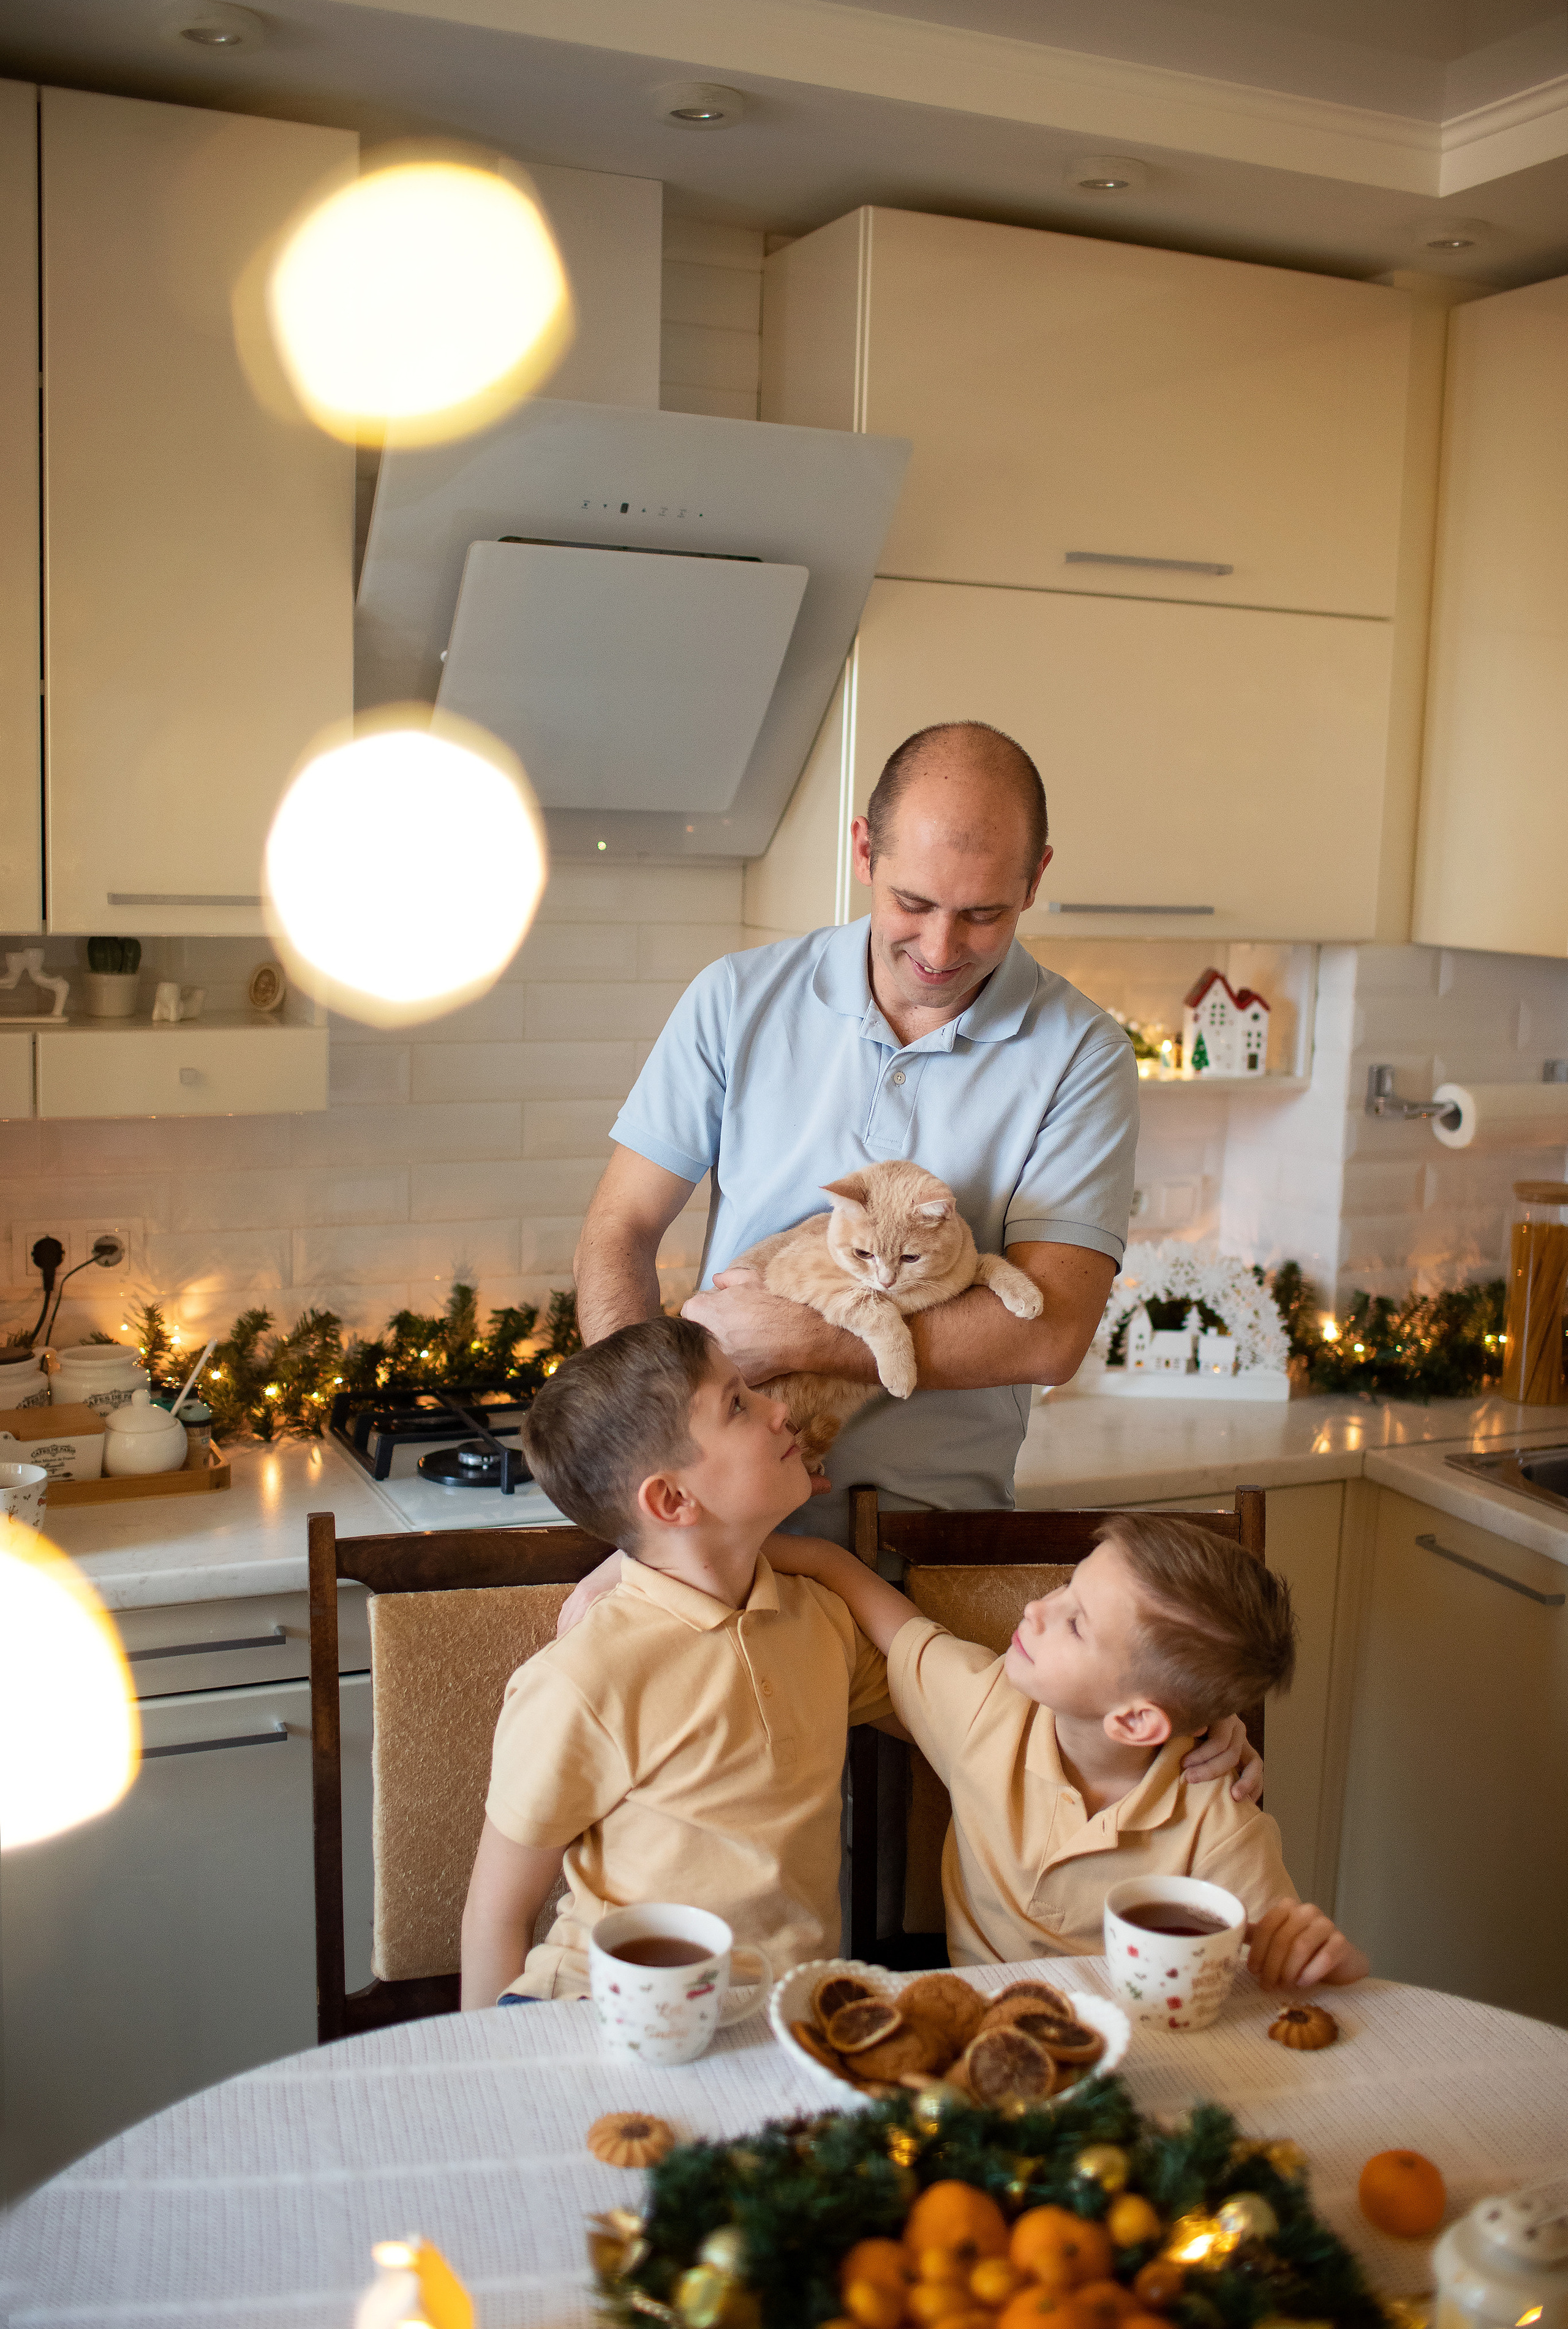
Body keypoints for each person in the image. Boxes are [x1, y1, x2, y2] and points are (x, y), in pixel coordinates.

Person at [572, 720, 1140, 1552]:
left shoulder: (1083, 1054)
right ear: (864, 850)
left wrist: (805, 1338)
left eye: (983, 913)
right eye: (912, 903)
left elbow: (1051, 1332)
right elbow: (618, 1230)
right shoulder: (736, 998)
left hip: (934, 1546)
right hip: (721, 1539)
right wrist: (650, 1446)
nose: (941, 950)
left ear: (1036, 877)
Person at [459, 1316, 895, 2007]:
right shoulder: (581, 1680)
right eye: (738, 1405)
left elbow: (958, 1707)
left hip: (776, 2024)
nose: (781, 1409)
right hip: (597, 2009)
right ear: (671, 1500)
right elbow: (496, 1915)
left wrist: (826, 1561)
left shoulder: (820, 1622)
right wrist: (489, 2087)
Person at [764, 1511, 1368, 1989]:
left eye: (1077, 1624)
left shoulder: (1222, 1829)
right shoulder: (984, 1705)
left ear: (1135, 1721)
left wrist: (1323, 1958)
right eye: (1065, 1587)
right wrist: (809, 1554)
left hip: (1139, 2056)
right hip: (978, 2032)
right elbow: (873, 1604)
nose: (1036, 1608)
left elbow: (1288, 1972)